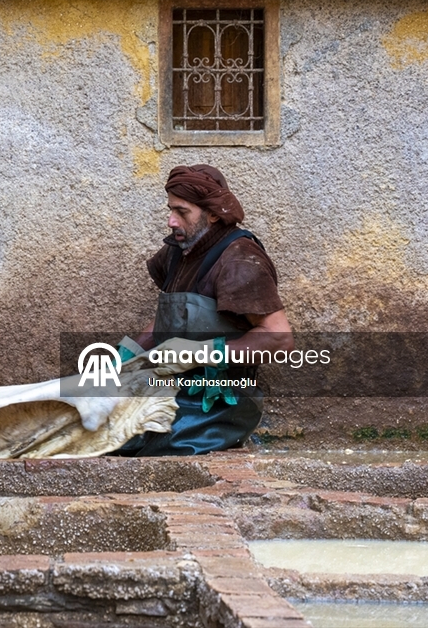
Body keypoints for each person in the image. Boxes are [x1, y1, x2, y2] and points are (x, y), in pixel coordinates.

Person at [114, 164, 294, 456]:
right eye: (170, 210)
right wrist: (127, 355)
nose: (172, 221)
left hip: (218, 405)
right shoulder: (178, 251)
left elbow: (279, 339)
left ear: (212, 213)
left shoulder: (239, 260)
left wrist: (199, 353)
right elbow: (169, 318)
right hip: (174, 390)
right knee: (91, 417)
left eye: (182, 212)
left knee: (124, 438)